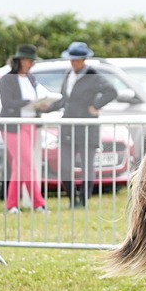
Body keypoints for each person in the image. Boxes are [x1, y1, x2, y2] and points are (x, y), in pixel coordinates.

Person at [45, 42, 117, 207]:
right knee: (65, 166)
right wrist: (46, 108)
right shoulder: (68, 74)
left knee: (86, 166)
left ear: (84, 59)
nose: (74, 63)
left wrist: (96, 106)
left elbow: (111, 91)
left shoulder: (93, 75)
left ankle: (83, 200)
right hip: (68, 125)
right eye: (72, 60)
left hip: (86, 126)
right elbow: (65, 100)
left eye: (77, 60)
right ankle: (72, 198)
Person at [0, 44, 51, 214]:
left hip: (31, 124)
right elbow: (8, 102)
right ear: (20, 60)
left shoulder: (31, 79)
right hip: (14, 126)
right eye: (29, 60)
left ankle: (11, 205)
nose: (31, 64)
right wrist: (29, 102)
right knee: (27, 165)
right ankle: (38, 203)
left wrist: (40, 105)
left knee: (19, 166)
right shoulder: (7, 79)